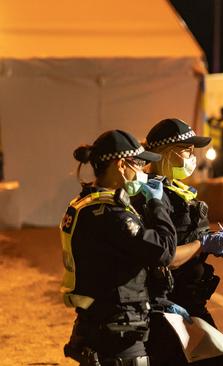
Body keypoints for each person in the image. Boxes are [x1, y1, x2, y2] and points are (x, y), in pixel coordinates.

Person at [60, 130, 177, 365]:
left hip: (98, 321)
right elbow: (164, 250)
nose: (144, 172)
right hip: (117, 331)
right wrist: (157, 204)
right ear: (121, 164)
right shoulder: (112, 215)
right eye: (140, 165)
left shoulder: (85, 203)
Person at [139, 118, 223, 365]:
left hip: (187, 301)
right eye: (186, 150)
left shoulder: (175, 191)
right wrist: (203, 244)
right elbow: (165, 257)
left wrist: (214, 245)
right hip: (169, 305)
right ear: (166, 154)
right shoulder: (153, 197)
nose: (192, 157)